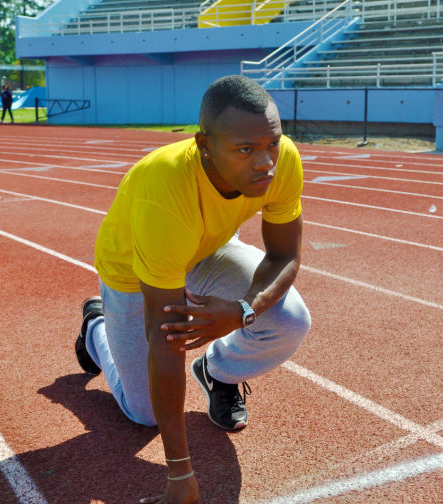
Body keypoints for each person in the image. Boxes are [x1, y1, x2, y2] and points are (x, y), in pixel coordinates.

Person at [74, 75, 311, 504]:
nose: (266, 163)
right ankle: (96, 327)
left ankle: (217, 372)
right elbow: (166, 340)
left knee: (289, 320)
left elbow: (284, 256)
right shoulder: (165, 190)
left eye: (272, 143)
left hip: (205, 249)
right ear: (204, 144)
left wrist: (242, 310)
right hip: (134, 269)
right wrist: (179, 473)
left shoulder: (283, 159)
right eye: (245, 149)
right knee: (142, 414)